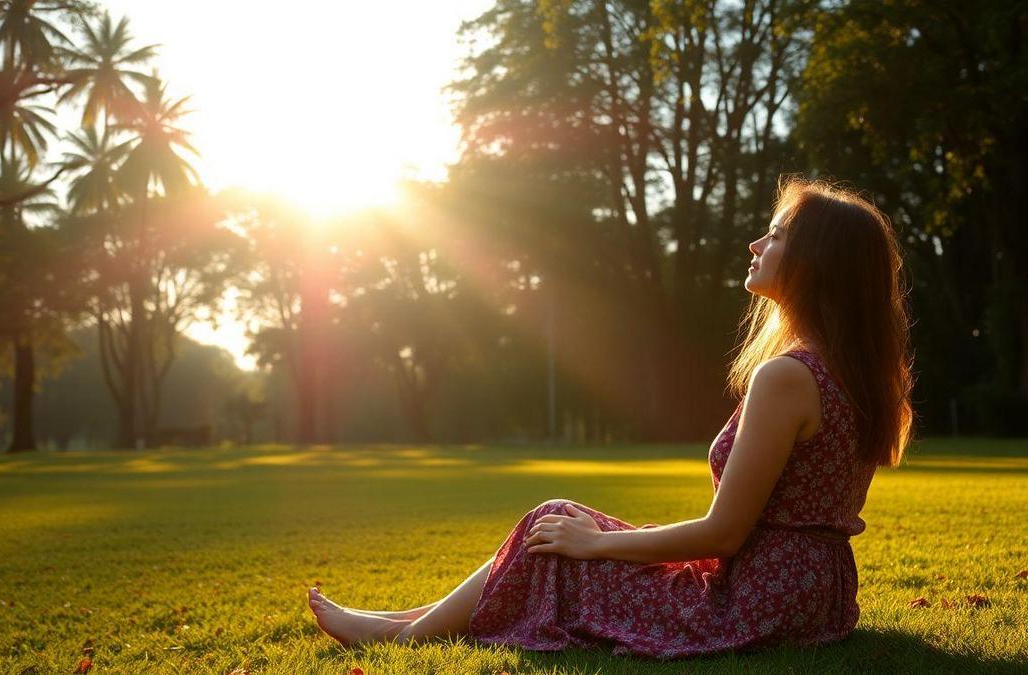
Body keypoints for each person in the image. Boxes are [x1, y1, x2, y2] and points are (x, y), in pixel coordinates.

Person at [306, 175, 916, 658]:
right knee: (563, 523)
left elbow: (723, 535)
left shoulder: (787, 376)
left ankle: (407, 637)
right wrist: (599, 539)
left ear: (814, 262)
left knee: (556, 524)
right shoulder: (850, 372)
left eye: (776, 235)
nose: (757, 244)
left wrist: (598, 545)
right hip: (818, 594)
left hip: (756, 600)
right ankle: (405, 620)